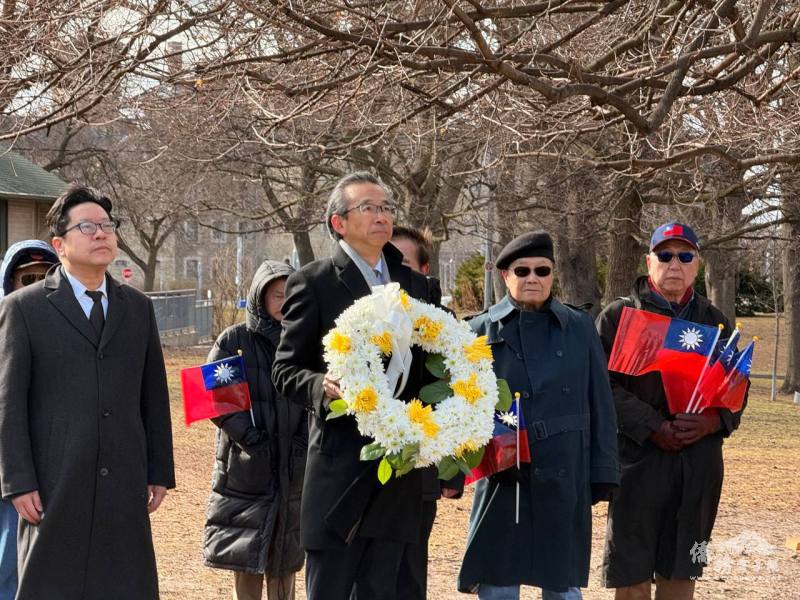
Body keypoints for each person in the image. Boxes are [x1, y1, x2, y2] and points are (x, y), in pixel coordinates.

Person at [0, 186, 175, 600]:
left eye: (107, 226)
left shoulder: (137, 307)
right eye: (87, 227)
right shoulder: (24, 309)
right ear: (59, 244)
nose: (102, 234)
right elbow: (9, 403)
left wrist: (158, 469)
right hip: (53, 481)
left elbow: (153, 395)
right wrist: (18, 481)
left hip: (123, 481)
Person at [272, 172, 435, 600]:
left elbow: (430, 370)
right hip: (340, 466)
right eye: (368, 207)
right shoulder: (313, 281)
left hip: (398, 470)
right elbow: (286, 369)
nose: (381, 216)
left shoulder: (416, 285)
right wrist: (319, 385)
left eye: (386, 208)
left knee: (386, 588)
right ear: (338, 223)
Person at [458, 231, 619, 599]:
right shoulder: (477, 331)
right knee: (498, 582)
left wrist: (604, 471)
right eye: (523, 270)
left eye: (542, 271)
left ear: (553, 274)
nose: (533, 278)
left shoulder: (579, 327)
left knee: (562, 587)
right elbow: (460, 411)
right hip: (503, 476)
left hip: (564, 472)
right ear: (505, 276)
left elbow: (601, 403)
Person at [596, 222, 742, 600]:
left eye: (684, 255)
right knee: (632, 572)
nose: (674, 263)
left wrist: (712, 422)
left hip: (696, 467)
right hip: (637, 460)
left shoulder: (716, 322)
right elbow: (601, 387)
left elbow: (736, 391)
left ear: (697, 264)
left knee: (682, 570)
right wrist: (653, 424)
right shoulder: (618, 317)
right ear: (649, 262)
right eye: (665, 255)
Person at [203, 260, 307, 600]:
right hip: (246, 469)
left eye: (290, 295)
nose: (284, 302)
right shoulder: (234, 340)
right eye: (277, 295)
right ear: (260, 297)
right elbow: (215, 399)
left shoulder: (307, 342)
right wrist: (251, 439)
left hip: (295, 469)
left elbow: (319, 397)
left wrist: (303, 444)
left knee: (285, 557)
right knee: (246, 558)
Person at [0, 240, 58, 600]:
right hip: (8, 476)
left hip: (56, 470)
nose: (36, 285)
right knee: (7, 563)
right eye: (27, 279)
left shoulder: (75, 332)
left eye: (45, 277)